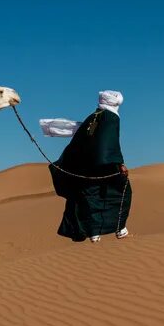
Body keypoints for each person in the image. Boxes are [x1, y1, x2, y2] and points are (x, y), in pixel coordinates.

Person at [40, 90, 132, 242]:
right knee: (122, 191)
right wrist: (118, 162)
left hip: (87, 165)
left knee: (91, 197)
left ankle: (93, 233)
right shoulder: (111, 117)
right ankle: (120, 228)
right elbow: (108, 141)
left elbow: (84, 137)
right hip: (104, 163)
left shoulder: (94, 116)